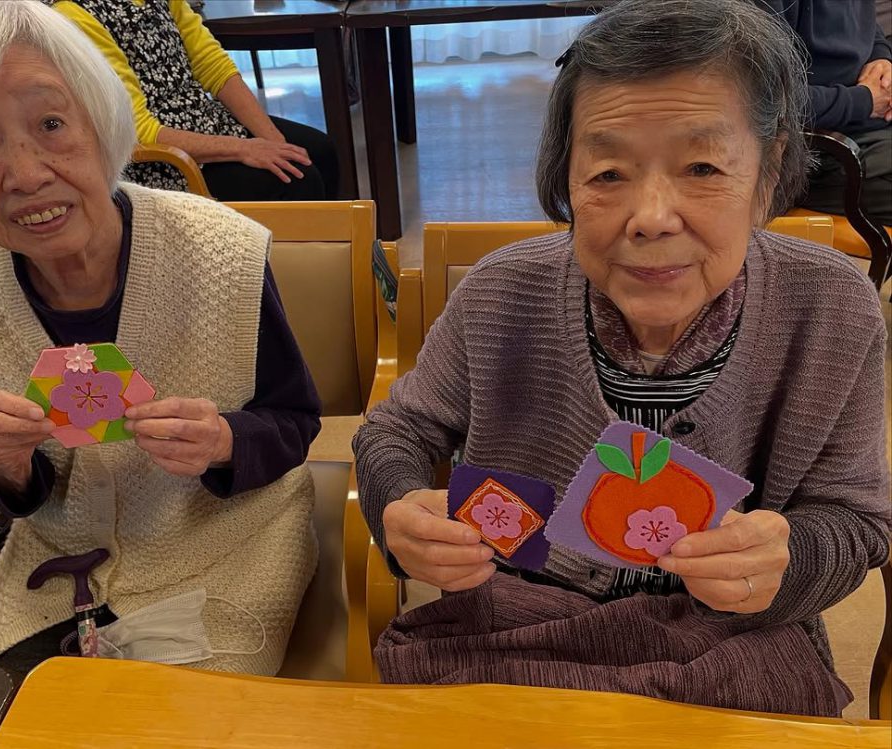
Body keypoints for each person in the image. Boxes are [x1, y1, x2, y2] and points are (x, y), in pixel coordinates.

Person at [353, 0, 890, 717]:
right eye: (608, 174)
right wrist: (400, 506)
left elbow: (857, 518)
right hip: (509, 634)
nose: (652, 217)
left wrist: (787, 559)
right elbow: (395, 432)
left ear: (768, 175)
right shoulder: (500, 292)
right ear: (565, 179)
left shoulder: (831, 309)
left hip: (732, 646)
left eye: (702, 166)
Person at [0, 0, 321, 677]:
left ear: (103, 121)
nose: (26, 175)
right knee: (25, 713)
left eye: (51, 124)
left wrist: (222, 440)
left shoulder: (220, 252)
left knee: (185, 718)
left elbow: (294, 421)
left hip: (226, 546)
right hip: (56, 570)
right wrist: (4, 463)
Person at [47, 0, 340, 201]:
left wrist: (273, 141)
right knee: (298, 180)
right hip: (160, 161)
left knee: (319, 151)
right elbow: (137, 131)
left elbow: (212, 64)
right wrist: (244, 148)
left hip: (205, 121)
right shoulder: (73, 12)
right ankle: (275, 270)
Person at [758, 0, 892, 224]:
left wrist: (882, 60)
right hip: (820, 153)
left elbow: (868, 27)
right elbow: (767, 100)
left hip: (870, 126)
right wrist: (865, 101)